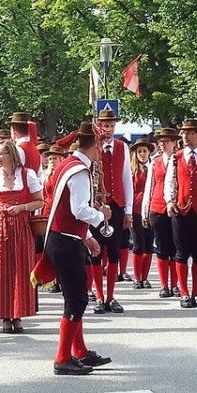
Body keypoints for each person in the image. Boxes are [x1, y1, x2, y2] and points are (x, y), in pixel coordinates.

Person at [43, 122, 113, 375]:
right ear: (95, 145)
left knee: (75, 297)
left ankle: (80, 351)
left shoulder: (66, 164)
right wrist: (102, 216)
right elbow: (79, 210)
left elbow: (65, 209)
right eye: (100, 145)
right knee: (77, 299)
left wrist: (86, 236)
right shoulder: (80, 171)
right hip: (66, 242)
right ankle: (63, 357)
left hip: (63, 237)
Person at [0, 140, 43, 333]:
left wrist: (22, 207)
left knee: (20, 269)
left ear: (11, 155)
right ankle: (4, 316)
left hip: (21, 227)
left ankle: (18, 314)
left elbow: (40, 201)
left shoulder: (27, 175)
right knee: (0, 269)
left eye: (1, 153)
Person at [92, 108, 133, 313]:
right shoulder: (93, 147)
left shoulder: (122, 147)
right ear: (98, 126)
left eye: (111, 126)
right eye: (105, 125)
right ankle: (99, 296)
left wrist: (128, 210)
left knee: (115, 251)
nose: (108, 129)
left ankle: (110, 296)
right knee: (96, 251)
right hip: (97, 206)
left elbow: (126, 178)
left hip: (117, 205)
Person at [166, 119, 197, 309]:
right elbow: (169, 181)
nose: (185, 136)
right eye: (183, 133)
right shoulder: (176, 157)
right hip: (181, 209)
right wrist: (169, 201)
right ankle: (184, 293)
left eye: (190, 132)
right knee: (181, 253)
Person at [144, 128, 180, 299]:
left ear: (174, 142)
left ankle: (175, 284)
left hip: (175, 208)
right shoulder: (155, 162)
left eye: (166, 141)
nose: (162, 144)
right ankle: (164, 284)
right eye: (161, 141)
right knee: (161, 247)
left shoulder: (179, 159)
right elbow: (149, 187)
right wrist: (145, 211)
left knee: (176, 247)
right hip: (157, 207)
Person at [129, 139, 155, 289]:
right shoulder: (132, 170)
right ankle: (137, 277)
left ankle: (145, 277)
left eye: (145, 151)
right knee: (138, 244)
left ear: (149, 152)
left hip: (151, 210)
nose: (142, 154)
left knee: (149, 245)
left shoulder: (153, 167)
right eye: (139, 151)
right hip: (135, 210)